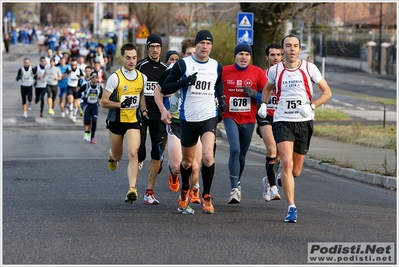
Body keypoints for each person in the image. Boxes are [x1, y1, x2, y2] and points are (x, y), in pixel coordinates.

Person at [259, 34, 332, 223]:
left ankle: (284, 178)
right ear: (283, 50)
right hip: (282, 120)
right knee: (287, 163)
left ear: (300, 50)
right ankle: (292, 207)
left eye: (295, 46)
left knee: (296, 171)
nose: (292, 49)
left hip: (304, 120)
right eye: (288, 46)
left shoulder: (309, 68)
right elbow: (267, 89)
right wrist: (263, 104)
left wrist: (312, 106)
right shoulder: (276, 70)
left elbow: (327, 92)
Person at [161, 30, 226, 214]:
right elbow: (166, 87)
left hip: (208, 117)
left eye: (208, 43)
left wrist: (221, 99)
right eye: (202, 43)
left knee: (207, 157)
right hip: (188, 118)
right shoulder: (183, 64)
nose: (205, 47)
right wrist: (185, 82)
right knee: (187, 163)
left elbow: (218, 83)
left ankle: (206, 196)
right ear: (196, 45)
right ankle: (184, 192)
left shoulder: (216, 66)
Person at [154, 39, 202, 212]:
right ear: (183, 55)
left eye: (194, 53)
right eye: (188, 53)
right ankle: (173, 174)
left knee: (195, 165)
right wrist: (162, 110)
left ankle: (189, 195)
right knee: (177, 166)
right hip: (176, 122)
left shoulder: (204, 70)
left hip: (196, 121)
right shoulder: (173, 69)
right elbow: (158, 91)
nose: (192, 56)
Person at [100, 42, 148, 204]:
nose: (132, 61)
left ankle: (132, 189)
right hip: (116, 121)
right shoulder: (115, 78)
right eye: (128, 58)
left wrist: (145, 111)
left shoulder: (142, 77)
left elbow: (141, 96)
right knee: (117, 156)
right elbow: (103, 102)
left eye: (134, 58)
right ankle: (111, 156)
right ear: (121, 58)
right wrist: (120, 104)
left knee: (133, 153)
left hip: (134, 121)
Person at [221, 44, 266, 204]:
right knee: (235, 148)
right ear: (235, 56)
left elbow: (269, 94)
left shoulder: (257, 73)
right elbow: (215, 89)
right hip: (230, 116)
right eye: (240, 53)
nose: (244, 57)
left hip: (248, 119)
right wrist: (220, 102)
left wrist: (256, 95)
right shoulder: (224, 71)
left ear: (250, 57)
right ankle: (234, 188)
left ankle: (237, 183)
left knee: (242, 155)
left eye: (247, 54)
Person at [135, 34, 168, 205]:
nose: (155, 50)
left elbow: (168, 90)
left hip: (158, 114)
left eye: (158, 47)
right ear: (148, 48)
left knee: (157, 152)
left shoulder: (165, 68)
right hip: (141, 112)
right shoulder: (140, 66)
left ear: (161, 48)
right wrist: (142, 108)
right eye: (152, 47)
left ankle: (149, 192)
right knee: (140, 151)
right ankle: (140, 158)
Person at [257, 42, 283, 202]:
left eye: (279, 55)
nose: (276, 58)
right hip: (265, 115)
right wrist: (256, 96)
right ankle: (273, 188)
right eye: (272, 55)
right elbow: (255, 93)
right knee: (272, 149)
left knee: (280, 154)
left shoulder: (287, 74)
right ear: (267, 57)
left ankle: (268, 180)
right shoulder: (262, 75)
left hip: (282, 116)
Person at [78, 71, 102, 144]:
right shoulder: (86, 85)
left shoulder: (99, 86)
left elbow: (101, 95)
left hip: (95, 106)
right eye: (93, 78)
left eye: (96, 77)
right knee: (87, 121)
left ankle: (92, 137)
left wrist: (99, 101)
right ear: (91, 78)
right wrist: (83, 97)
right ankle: (87, 132)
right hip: (87, 105)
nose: (94, 79)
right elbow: (78, 92)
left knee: (94, 121)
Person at [64, 57, 84, 122]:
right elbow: (63, 76)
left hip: (76, 88)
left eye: (75, 65)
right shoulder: (68, 69)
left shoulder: (79, 70)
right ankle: (71, 112)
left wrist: (80, 77)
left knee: (75, 104)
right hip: (70, 86)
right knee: (70, 100)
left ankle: (74, 115)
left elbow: (83, 78)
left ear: (76, 64)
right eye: (72, 65)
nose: (73, 66)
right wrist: (67, 73)